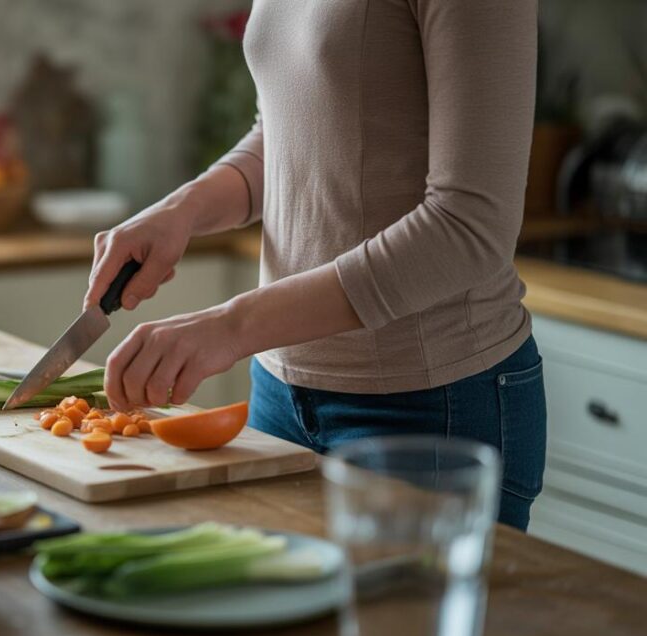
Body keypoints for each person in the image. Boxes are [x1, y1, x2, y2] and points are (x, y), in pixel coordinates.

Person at [86, 0, 544, 530]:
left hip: (431, 406)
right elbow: (289, 133)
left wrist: (233, 327)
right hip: (279, 393)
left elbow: (470, 227)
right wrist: (181, 209)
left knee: (396, 616)